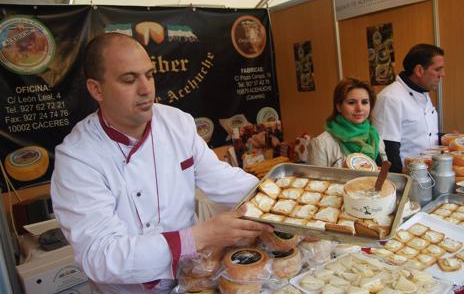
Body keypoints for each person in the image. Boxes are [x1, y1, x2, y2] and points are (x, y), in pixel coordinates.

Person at [50, 32, 272, 294]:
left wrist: (278, 200)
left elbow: (224, 179)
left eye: (149, 75)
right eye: (129, 79)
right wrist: (201, 236)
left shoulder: (176, 123)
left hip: (193, 280)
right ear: (96, 89)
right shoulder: (78, 158)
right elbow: (101, 256)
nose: (146, 89)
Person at [372, 44, 445, 173]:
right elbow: (387, 151)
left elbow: (423, 134)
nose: (442, 74)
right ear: (419, 70)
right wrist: (401, 184)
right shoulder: (390, 98)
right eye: (438, 69)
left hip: (428, 173)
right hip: (406, 179)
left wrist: (447, 139)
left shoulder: (422, 92)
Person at [307, 78, 387, 167]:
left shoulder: (376, 138)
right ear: (339, 107)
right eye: (351, 102)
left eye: (364, 102)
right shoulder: (321, 144)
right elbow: (316, 181)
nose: (359, 108)